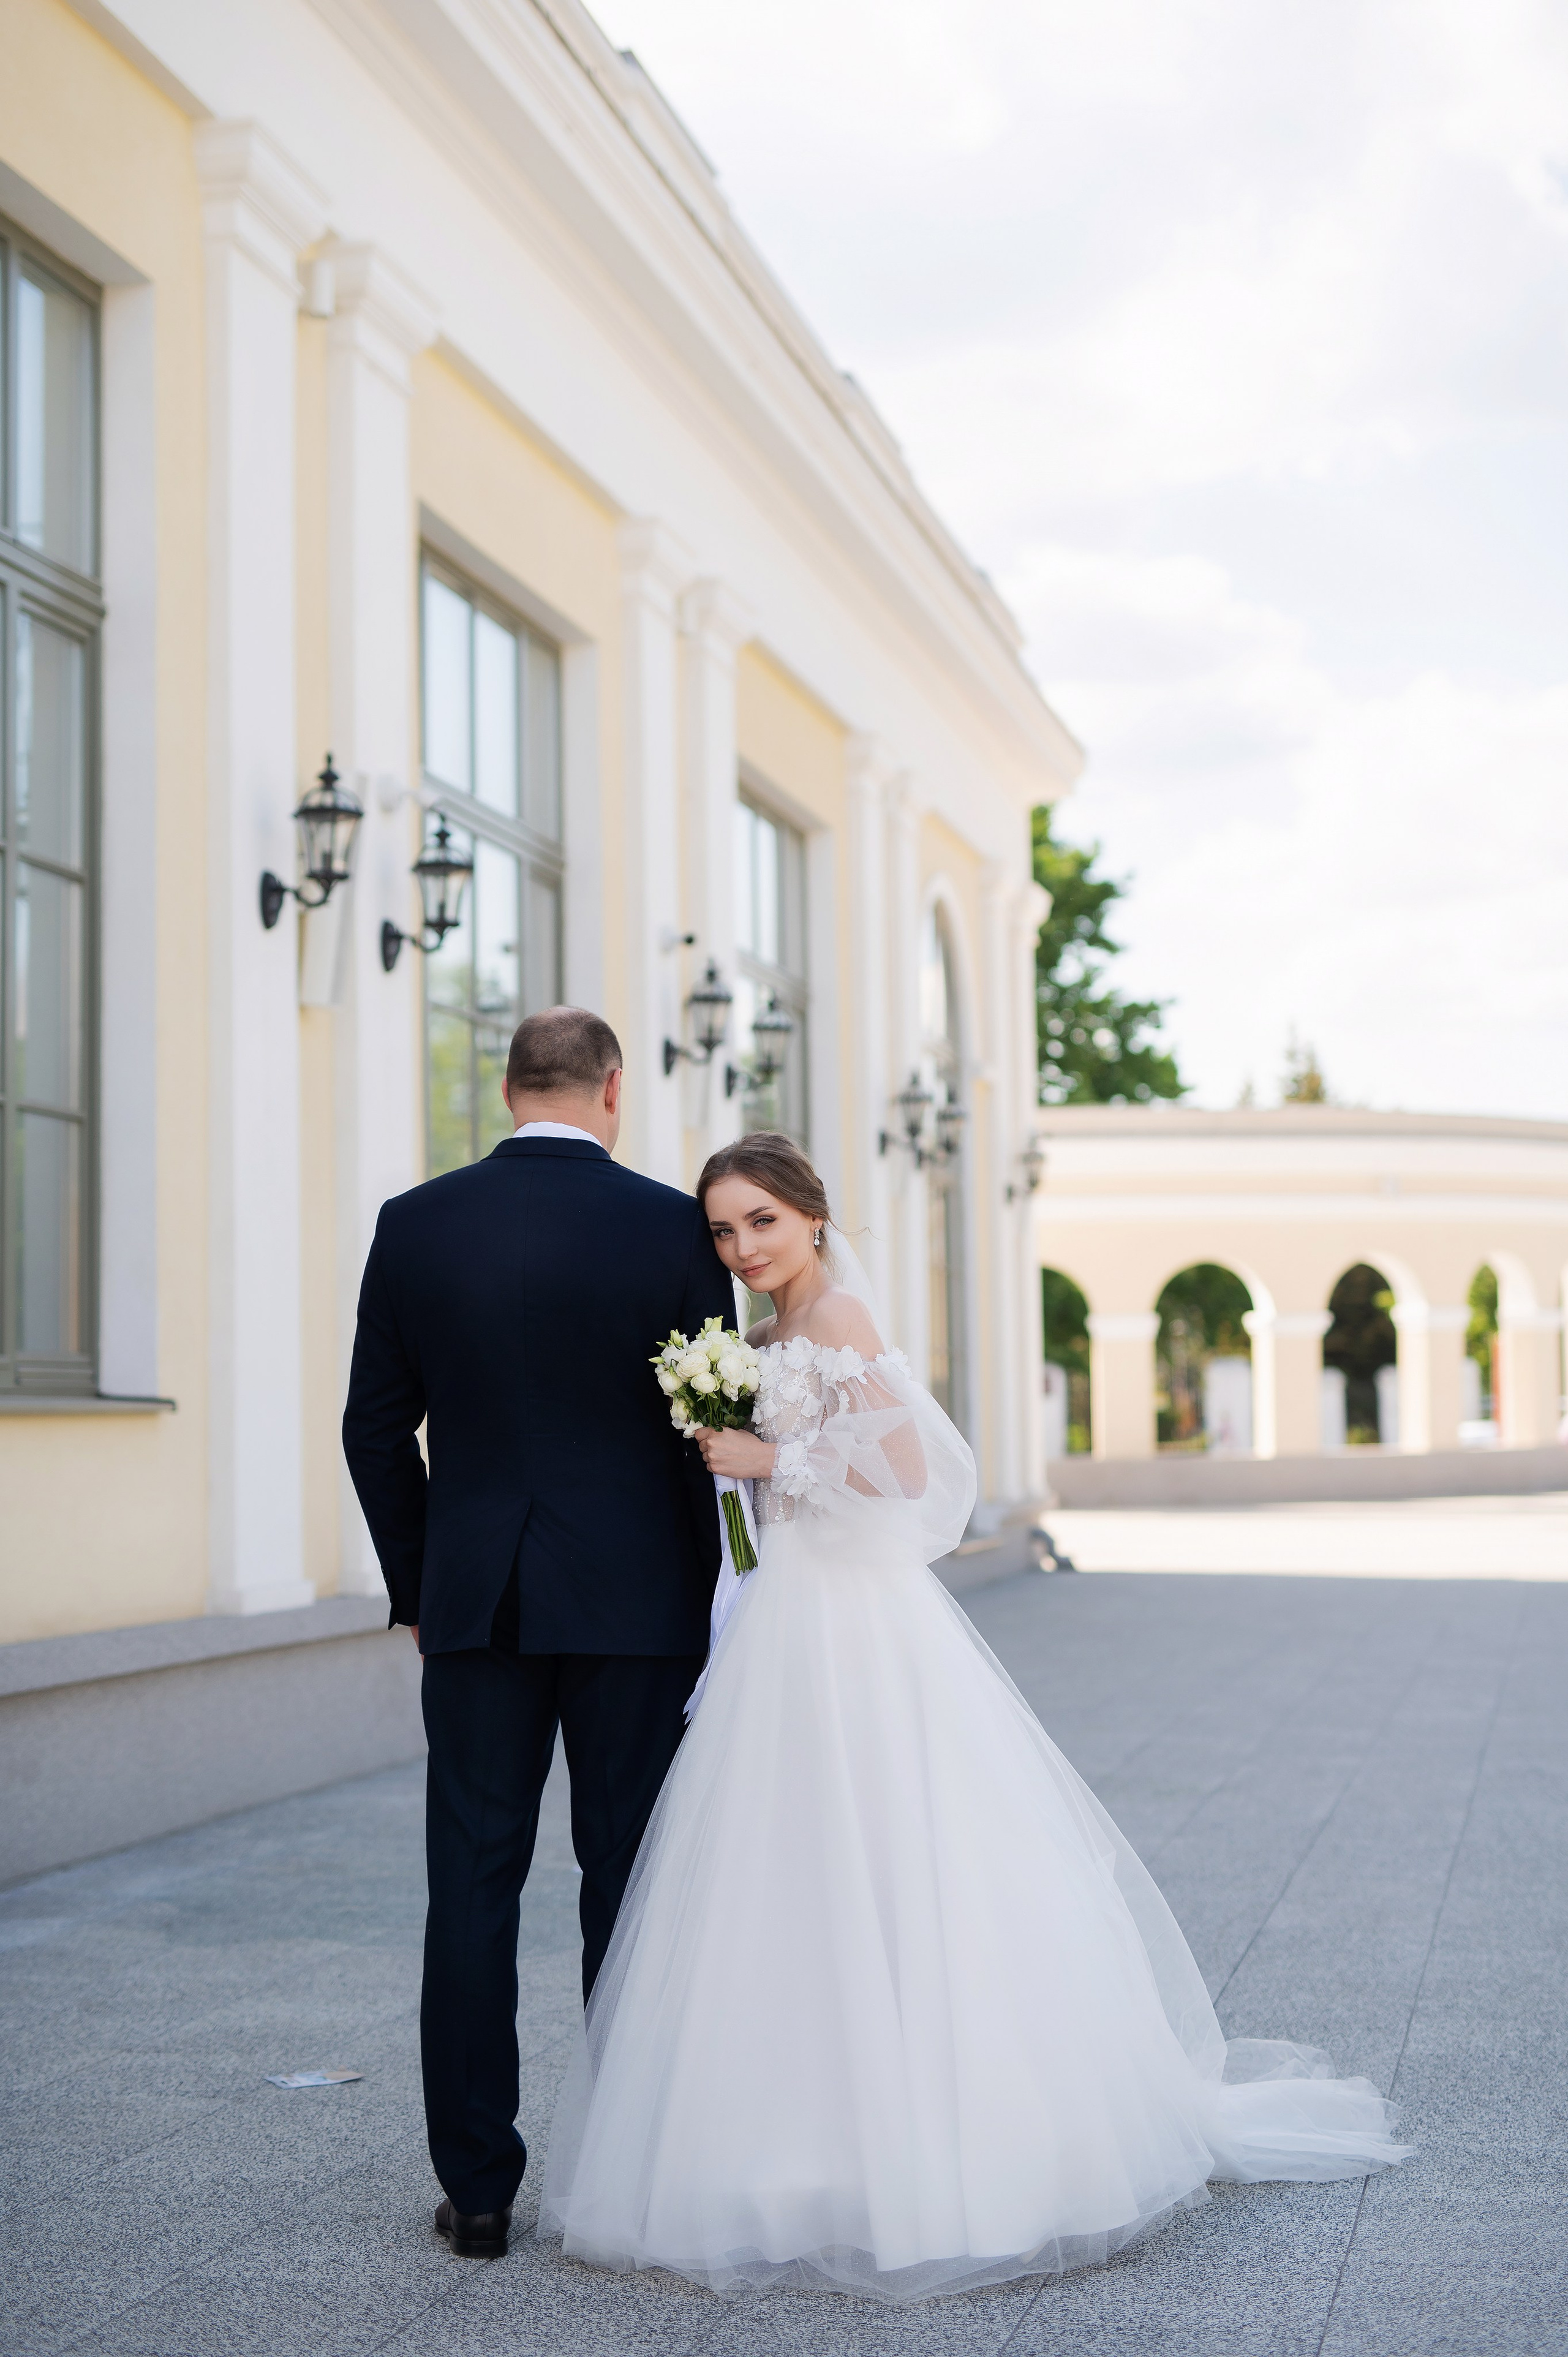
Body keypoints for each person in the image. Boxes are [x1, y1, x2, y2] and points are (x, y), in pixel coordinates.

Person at [540, 1131, 1412, 2304]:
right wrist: (748, 1463)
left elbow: (915, 1479)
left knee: (898, 1857)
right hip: (783, 1622)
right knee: (786, 1873)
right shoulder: (752, 1342)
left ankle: (941, 2148)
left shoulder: (840, 1319)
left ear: (811, 1215)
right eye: (723, 1230)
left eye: (761, 1221)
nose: (744, 1249)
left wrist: (766, 1456)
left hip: (856, 1627)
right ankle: (790, 2145)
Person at [341, 1008, 733, 2261]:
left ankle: (480, 2189)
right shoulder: (673, 1225)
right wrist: (704, 1592)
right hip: (638, 1607)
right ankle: (624, 2169)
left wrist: (421, 1586)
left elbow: (372, 1427)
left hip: (477, 1605)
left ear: (507, 1088)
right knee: (625, 1877)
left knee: (471, 1880)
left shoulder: (415, 1223)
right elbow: (699, 1428)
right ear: (610, 1089)